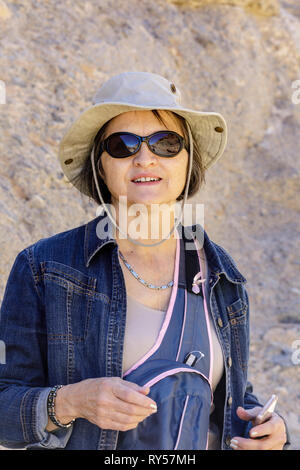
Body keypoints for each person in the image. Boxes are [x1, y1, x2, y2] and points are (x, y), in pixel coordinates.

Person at [0, 72, 289, 450]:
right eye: (122, 145)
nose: (145, 158)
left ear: (188, 160)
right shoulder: (46, 269)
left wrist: (269, 431)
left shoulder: (222, 275)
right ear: (100, 165)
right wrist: (70, 402)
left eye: (166, 143)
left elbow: (229, 395)